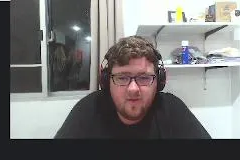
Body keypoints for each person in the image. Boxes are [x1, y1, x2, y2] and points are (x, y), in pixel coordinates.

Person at [54, 35, 211, 139]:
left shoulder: (172, 110)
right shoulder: (89, 110)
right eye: (122, 78)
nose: (133, 89)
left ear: (160, 80)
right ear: (106, 81)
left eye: (144, 78)